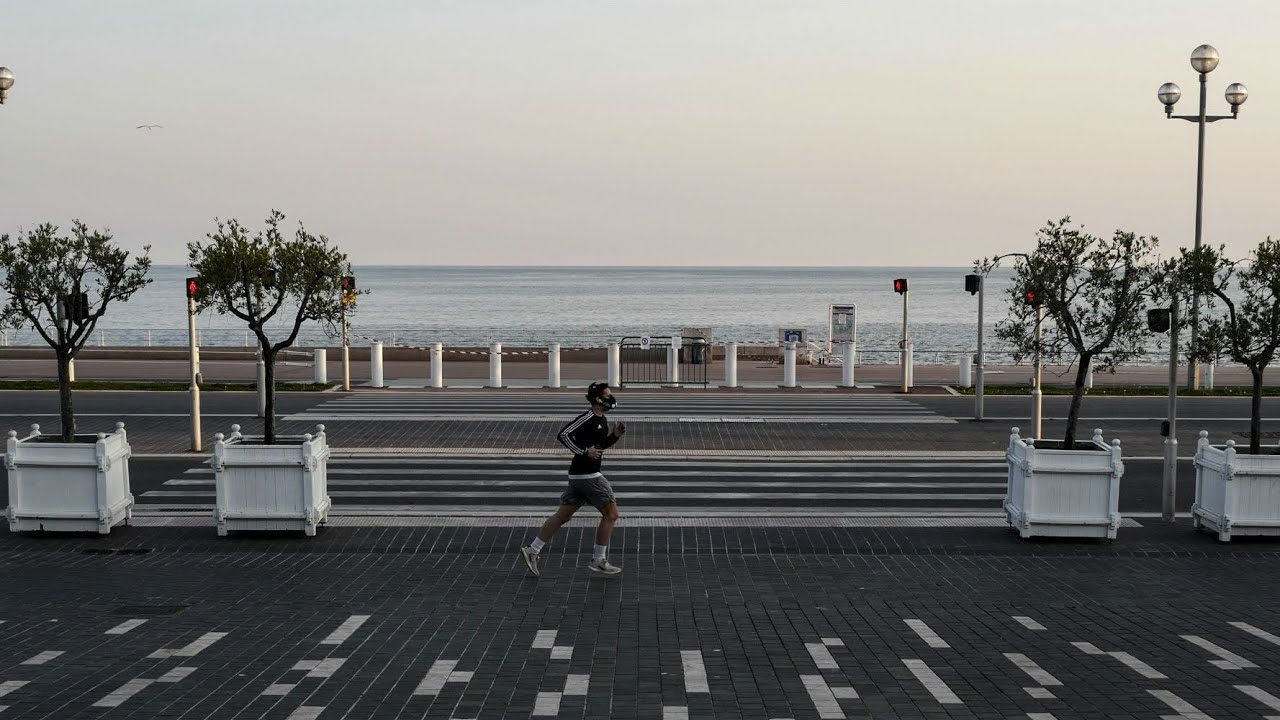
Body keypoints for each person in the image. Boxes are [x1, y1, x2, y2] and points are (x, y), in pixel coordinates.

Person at [520, 381, 626, 577]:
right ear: (597, 399)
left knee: (563, 515)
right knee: (611, 514)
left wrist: (614, 436)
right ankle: (598, 559)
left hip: (581, 476)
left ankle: (532, 550)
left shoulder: (602, 419)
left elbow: (599, 447)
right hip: (588, 475)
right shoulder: (587, 417)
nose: (611, 398)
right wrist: (584, 451)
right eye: (607, 395)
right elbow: (563, 435)